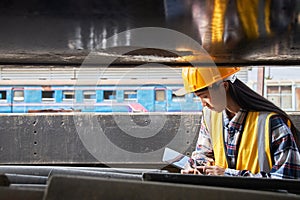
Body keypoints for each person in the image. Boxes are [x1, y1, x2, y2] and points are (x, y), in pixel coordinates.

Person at [174, 66, 300, 179]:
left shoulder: (271, 124)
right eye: (199, 98)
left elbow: (286, 178)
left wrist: (227, 175)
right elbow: (203, 154)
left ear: (224, 87)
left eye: (205, 96)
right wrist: (194, 168)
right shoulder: (209, 117)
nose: (203, 104)